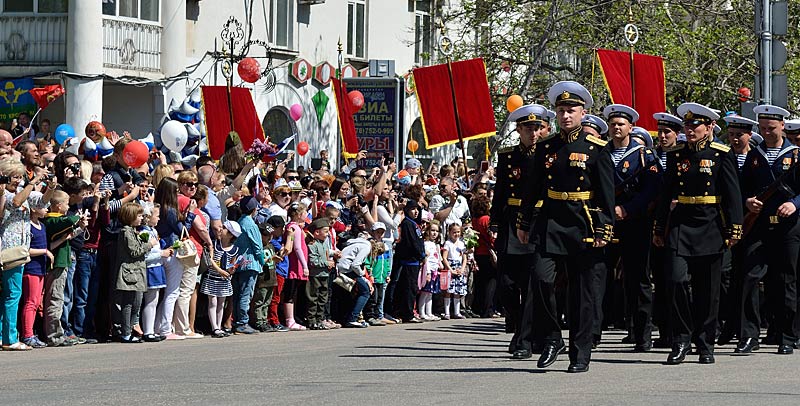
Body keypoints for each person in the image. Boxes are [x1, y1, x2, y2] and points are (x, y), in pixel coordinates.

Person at [516, 81, 615, 373]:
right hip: (551, 220)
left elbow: (606, 194)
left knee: (582, 293)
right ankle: (551, 338)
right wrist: (523, 221)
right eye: (560, 111)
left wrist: (604, 227)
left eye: (571, 110)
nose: (565, 116)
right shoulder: (547, 147)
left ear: (583, 113)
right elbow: (532, 189)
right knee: (542, 279)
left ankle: (580, 351)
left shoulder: (596, 148)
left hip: (583, 222)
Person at [653, 102, 743, 365]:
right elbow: (665, 194)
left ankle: (705, 342)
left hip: (711, 225)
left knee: (708, 289)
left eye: (696, 125)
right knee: (676, 280)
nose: (690, 130)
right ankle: (681, 339)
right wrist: (659, 226)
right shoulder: (676, 154)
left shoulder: (721, 154)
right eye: (687, 125)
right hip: (681, 224)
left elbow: (732, 195)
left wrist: (734, 228)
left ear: (710, 127)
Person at [595, 104, 661, 352]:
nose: (616, 128)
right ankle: (593, 333)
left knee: (638, 279)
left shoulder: (644, 155)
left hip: (635, 222)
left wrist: (628, 209)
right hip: (605, 222)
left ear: (630, 128)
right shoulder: (601, 152)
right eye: (612, 124)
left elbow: (651, 189)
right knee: (598, 278)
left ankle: (642, 333)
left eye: (621, 124)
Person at [736, 104, 799, 355]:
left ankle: (786, 335)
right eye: (762, 128)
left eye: (771, 128)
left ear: (782, 126)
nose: (767, 132)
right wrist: (747, 201)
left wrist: (794, 204)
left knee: (786, 279)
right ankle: (750, 335)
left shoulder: (795, 154)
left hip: (788, 226)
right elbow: (740, 187)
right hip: (759, 224)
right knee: (750, 276)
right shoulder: (754, 155)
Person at [490, 103, 545, 358]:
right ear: (518, 129)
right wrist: (494, 221)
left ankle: (525, 338)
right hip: (511, 220)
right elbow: (500, 190)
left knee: (532, 283)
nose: (533, 133)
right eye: (527, 128)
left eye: (536, 128)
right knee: (506, 284)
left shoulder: (546, 154)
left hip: (537, 219)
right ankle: (521, 325)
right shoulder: (508, 155)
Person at [42, 190, 86, 346]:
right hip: (56, 266)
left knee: (60, 300)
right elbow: (65, 223)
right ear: (59, 206)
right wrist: (78, 217)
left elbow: (67, 235)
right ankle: (54, 335)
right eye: (67, 203)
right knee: (55, 300)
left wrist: (80, 227)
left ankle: (58, 332)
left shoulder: (59, 220)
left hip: (63, 264)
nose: (68, 206)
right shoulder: (52, 220)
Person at [114, 202, 155, 343]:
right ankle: (126, 332)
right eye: (138, 215)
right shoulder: (126, 232)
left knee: (137, 303)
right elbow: (135, 251)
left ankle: (131, 329)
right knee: (128, 303)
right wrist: (150, 244)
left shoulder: (133, 231)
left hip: (137, 273)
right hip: (129, 273)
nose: (141, 218)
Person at [19, 200, 54, 348]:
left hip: (40, 269)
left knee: (35, 302)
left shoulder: (42, 226)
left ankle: (30, 333)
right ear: (33, 208)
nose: (46, 209)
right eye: (42, 206)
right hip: (31, 269)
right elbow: (25, 249)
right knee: (30, 302)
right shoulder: (27, 226)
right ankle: (27, 334)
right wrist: (45, 252)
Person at [389, 199, 425, 323]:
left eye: (417, 210)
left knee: (413, 287)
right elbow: (412, 243)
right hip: (409, 261)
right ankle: (407, 313)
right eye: (413, 209)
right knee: (409, 288)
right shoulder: (407, 224)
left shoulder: (414, 224)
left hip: (415, 261)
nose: (415, 212)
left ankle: (409, 311)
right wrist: (421, 254)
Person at [202, 220, 240, 338]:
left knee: (221, 303)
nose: (220, 229)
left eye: (224, 228)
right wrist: (220, 270)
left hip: (223, 280)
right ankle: (215, 327)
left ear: (230, 234)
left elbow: (231, 265)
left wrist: (232, 270)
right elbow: (210, 259)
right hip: (212, 278)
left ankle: (219, 325)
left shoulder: (235, 250)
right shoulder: (214, 244)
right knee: (212, 302)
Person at [233, 196, 265, 334]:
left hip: (239, 262)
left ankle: (238, 320)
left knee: (239, 293)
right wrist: (262, 261)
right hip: (250, 263)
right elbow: (258, 246)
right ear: (254, 209)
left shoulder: (240, 221)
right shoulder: (250, 224)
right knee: (246, 293)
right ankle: (242, 322)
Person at [141, 204, 171, 342]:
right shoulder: (144, 233)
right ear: (148, 217)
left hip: (157, 267)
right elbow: (145, 255)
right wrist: (161, 253)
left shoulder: (152, 230)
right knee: (150, 300)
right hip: (150, 268)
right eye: (157, 216)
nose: (159, 219)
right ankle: (148, 331)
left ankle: (151, 329)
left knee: (154, 300)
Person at [336, 227, 378, 328]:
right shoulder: (366, 247)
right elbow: (356, 265)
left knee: (348, 294)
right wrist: (362, 275)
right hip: (348, 270)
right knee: (365, 291)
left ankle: (346, 317)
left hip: (340, 268)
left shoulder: (353, 243)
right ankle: (353, 318)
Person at [281, 202, 310, 330]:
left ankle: (292, 318)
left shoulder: (295, 227)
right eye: (304, 212)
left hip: (296, 264)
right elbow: (297, 248)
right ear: (298, 215)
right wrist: (304, 266)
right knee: (290, 292)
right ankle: (289, 320)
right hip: (295, 264)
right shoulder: (294, 228)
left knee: (293, 292)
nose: (306, 214)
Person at [305, 218, 334, 330]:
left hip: (324, 275)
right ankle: (311, 320)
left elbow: (326, 256)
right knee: (313, 297)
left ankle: (319, 319)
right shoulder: (313, 245)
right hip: (315, 275)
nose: (327, 234)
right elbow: (313, 261)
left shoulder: (324, 244)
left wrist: (330, 263)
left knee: (323, 298)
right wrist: (327, 263)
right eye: (326, 231)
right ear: (317, 232)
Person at [265, 215, 290, 332]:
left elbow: (288, 248)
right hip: (277, 271)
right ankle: (273, 320)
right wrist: (290, 236)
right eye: (281, 228)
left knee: (277, 297)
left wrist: (290, 237)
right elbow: (286, 250)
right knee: (274, 298)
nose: (283, 230)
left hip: (283, 271)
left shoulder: (281, 239)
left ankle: (273, 319)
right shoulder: (273, 241)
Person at [419, 220, 444, 321]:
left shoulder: (435, 245)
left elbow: (436, 257)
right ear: (428, 231)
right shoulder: (426, 244)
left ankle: (429, 312)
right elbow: (427, 260)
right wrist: (428, 272)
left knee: (430, 293)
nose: (434, 233)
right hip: (428, 271)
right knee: (425, 292)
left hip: (435, 271)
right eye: (432, 230)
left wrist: (439, 264)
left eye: (436, 231)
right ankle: (422, 312)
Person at [443, 223, 468, 320]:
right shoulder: (447, 243)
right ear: (449, 233)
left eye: (458, 232)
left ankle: (457, 312)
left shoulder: (462, 243)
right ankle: (447, 312)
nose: (456, 234)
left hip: (459, 267)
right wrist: (450, 269)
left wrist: (462, 268)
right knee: (449, 290)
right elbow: (444, 257)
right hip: (451, 266)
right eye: (454, 232)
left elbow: (464, 258)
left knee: (458, 290)